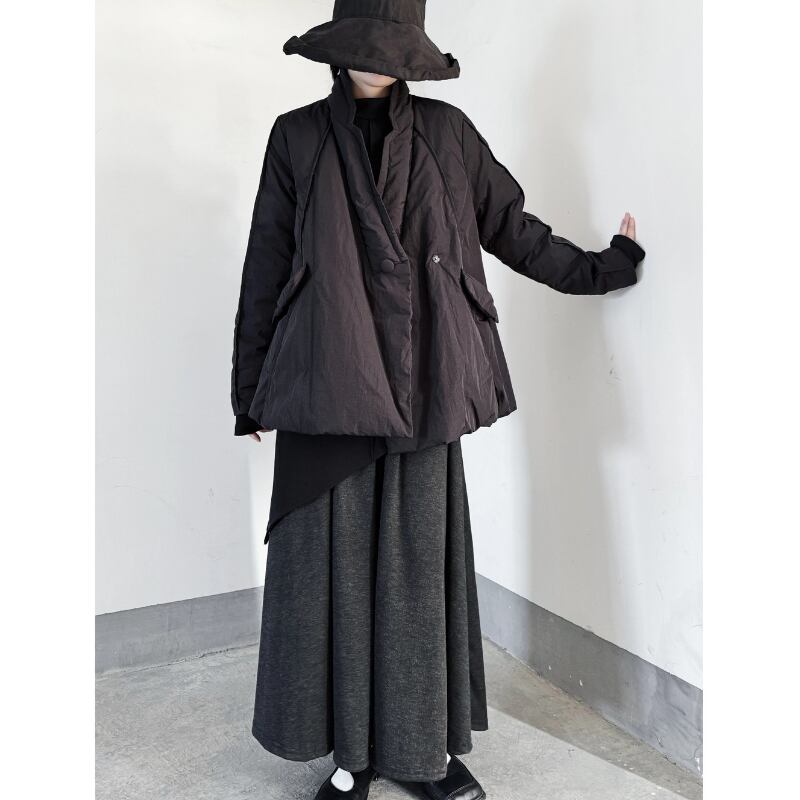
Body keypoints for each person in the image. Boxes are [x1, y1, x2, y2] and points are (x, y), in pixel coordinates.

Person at [230, 2, 645, 798]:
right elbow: (267, 262)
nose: (376, 60)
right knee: (333, 576)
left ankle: (422, 752)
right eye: (363, 43)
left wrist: (606, 266)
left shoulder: (449, 134)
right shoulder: (297, 136)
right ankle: (352, 755)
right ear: (336, 47)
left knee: (414, 576)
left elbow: (512, 229)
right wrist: (250, 389)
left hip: (425, 382)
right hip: (326, 383)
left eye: (392, 46)